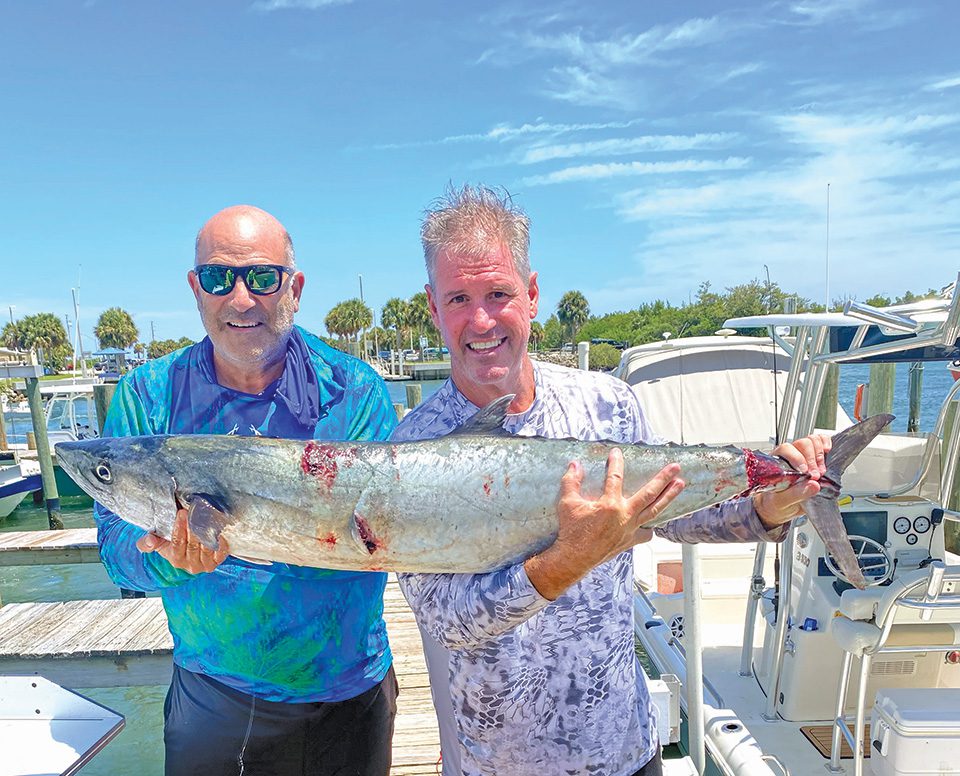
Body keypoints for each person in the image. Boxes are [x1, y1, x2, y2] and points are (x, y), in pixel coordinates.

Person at [393, 186, 832, 776]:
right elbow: (449, 622)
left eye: (498, 293)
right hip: (499, 763)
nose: (481, 320)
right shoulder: (410, 453)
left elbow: (671, 511)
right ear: (432, 305)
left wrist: (772, 509)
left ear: (532, 294)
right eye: (458, 298)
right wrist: (567, 560)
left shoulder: (607, 405)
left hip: (622, 751)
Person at [94, 205, 399, 776]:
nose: (240, 298)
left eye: (262, 277)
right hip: (215, 691)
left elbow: (376, 543)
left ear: (295, 288)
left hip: (347, 690)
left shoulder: (354, 393)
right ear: (195, 288)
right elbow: (115, 549)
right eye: (218, 278)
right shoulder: (148, 396)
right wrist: (168, 562)